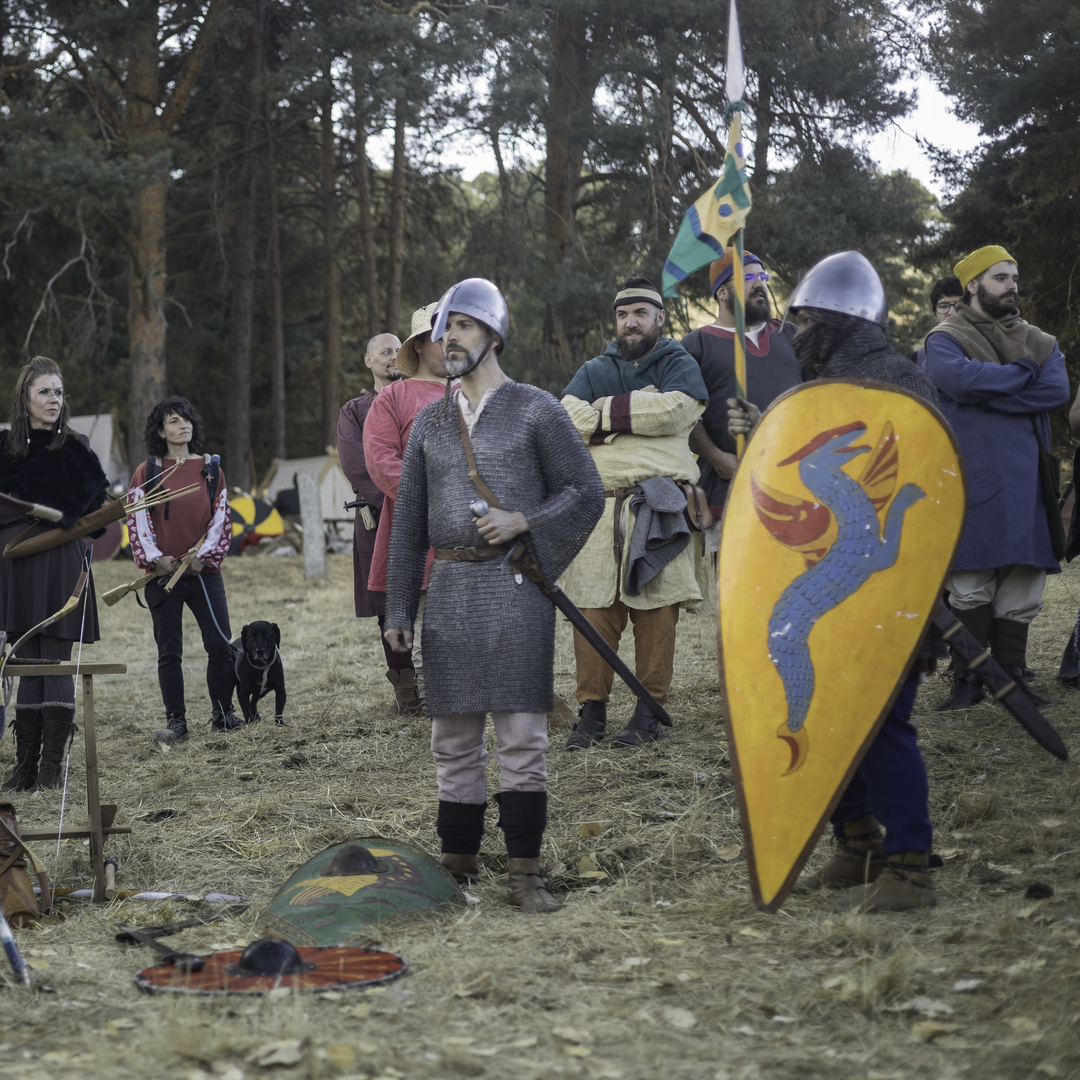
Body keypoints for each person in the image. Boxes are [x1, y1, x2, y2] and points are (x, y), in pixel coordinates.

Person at [729, 251, 943, 913]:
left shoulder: (900, 386)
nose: (793, 335)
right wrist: (759, 435)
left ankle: (910, 865)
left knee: (880, 723)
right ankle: (858, 843)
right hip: (826, 585)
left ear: (836, 321)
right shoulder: (815, 397)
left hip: (889, 594)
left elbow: (935, 490)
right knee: (820, 714)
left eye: (803, 323)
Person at [383, 278, 604, 913]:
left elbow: (583, 492)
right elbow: (409, 524)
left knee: (521, 736)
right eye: (443, 329)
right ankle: (457, 862)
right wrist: (400, 608)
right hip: (450, 589)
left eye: (463, 327)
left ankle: (525, 874)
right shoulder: (428, 422)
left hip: (513, 589)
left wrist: (524, 522)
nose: (447, 338)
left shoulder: (536, 409)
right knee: (451, 738)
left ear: (494, 335)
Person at [560, 277, 709, 748]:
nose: (631, 322)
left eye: (640, 314)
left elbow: (678, 414)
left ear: (659, 318)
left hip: (659, 502)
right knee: (593, 609)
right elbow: (566, 417)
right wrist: (638, 408)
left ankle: (647, 712)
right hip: (600, 507)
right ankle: (592, 713)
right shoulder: (593, 367)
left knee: (657, 610)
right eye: (624, 315)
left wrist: (602, 418)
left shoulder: (677, 360)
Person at [924, 247, 1070, 710]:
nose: (1013, 285)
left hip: (1028, 476)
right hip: (972, 475)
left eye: (1015, 277)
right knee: (970, 580)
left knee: (1023, 580)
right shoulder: (944, 338)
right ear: (973, 285)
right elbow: (959, 383)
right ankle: (968, 681)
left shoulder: (1040, 339)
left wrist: (990, 393)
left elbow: (1056, 392)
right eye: (1001, 277)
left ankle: (1011, 678)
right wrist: (1021, 373)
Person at [0, 356, 107, 790]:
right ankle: (25, 768)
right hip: (20, 565)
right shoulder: (7, 449)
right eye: (45, 391)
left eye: (59, 392)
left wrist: (76, 517)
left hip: (62, 563)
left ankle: (50, 770)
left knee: (55, 660)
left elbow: (96, 516)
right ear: (24, 399)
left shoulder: (76, 445)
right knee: (26, 658)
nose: (54, 400)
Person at [126, 397, 234, 743]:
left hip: (204, 573)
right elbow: (137, 518)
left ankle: (223, 713)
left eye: (186, 419)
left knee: (220, 645)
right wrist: (156, 558)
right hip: (163, 577)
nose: (182, 425)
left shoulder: (211, 469)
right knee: (169, 650)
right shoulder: (148, 472)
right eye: (173, 421)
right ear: (161, 430)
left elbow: (221, 517)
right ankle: (176, 722)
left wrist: (205, 555)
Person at [363, 304, 449, 709]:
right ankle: (430, 697)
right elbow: (380, 459)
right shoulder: (394, 397)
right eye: (442, 333)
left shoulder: (479, 392)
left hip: (477, 529)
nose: (453, 340)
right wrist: (430, 494)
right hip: (415, 526)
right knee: (425, 613)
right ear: (419, 345)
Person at [681, 249, 801, 528]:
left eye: (762, 275)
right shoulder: (697, 345)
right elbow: (684, 415)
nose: (759, 283)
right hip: (729, 492)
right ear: (722, 293)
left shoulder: (792, 334)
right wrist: (716, 457)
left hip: (795, 483)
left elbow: (818, 399)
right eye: (747, 276)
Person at [337, 331, 418, 713]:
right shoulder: (355, 410)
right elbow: (358, 466)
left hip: (433, 513)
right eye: (384, 352)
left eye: (396, 352)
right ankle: (407, 692)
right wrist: (402, 498)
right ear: (368, 361)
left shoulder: (423, 396)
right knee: (390, 601)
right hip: (380, 516)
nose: (392, 357)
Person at [910, 276, 964, 365]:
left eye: (958, 305)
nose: (951, 312)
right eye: (943, 306)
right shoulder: (915, 360)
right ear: (935, 314)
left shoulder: (987, 354)